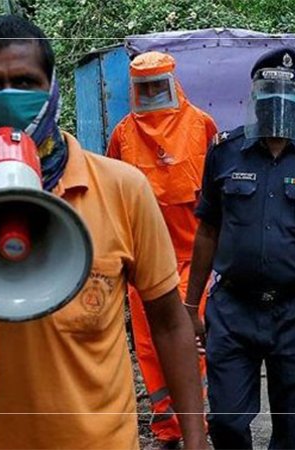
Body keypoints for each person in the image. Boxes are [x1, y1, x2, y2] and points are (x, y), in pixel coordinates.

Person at [0, 15, 207, 450]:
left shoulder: (122, 187)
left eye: (25, 82)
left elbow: (169, 323)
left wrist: (196, 440)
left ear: (52, 89)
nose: (8, 96)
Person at [184, 46, 295, 450]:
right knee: (226, 420)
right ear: (256, 98)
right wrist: (190, 307)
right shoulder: (224, 151)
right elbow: (208, 231)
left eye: (287, 95)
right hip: (233, 309)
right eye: (269, 94)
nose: (277, 103)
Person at [107, 51, 217, 449]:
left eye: (159, 85)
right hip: (143, 263)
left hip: (191, 260)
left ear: (173, 83)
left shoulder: (201, 125)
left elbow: (217, 197)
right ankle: (167, 428)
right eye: (145, 87)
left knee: (192, 343)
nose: (153, 93)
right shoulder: (122, 134)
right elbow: (113, 195)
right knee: (150, 349)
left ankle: (197, 427)